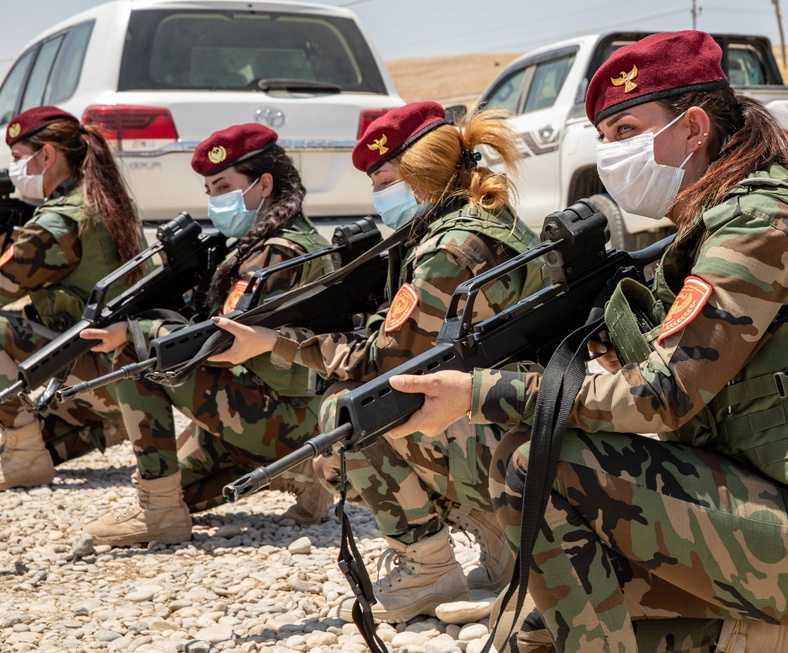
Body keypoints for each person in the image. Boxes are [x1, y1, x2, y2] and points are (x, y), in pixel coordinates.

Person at [380, 31, 788, 653]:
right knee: (537, 631)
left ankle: (785, 616)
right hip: (763, 500)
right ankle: (775, 635)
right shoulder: (707, 227)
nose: (612, 155)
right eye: (606, 139)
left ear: (693, 129)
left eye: (627, 131)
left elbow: (660, 396)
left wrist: (475, 392)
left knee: (536, 465)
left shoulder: (758, 227)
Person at [209, 101, 548, 622]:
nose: (377, 195)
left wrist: (272, 342)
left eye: (384, 178)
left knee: (350, 411)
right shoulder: (485, 218)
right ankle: (501, 541)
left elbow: (384, 363)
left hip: (506, 433)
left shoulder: (448, 249)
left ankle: (429, 564)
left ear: (421, 173)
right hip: (521, 420)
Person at [80, 123, 336, 546]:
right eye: (210, 191)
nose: (216, 200)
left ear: (264, 184)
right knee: (186, 490)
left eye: (223, 186)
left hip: (281, 414)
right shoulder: (292, 239)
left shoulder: (275, 253)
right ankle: (303, 470)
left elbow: (219, 342)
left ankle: (160, 514)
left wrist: (135, 329)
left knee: (136, 355)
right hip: (292, 410)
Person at [0, 106, 146, 491]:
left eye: (18, 159)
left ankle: (26, 456)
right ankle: (99, 422)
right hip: (125, 371)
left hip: (100, 372)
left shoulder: (59, 220)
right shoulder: (104, 198)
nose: (16, 171)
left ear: (47, 155)